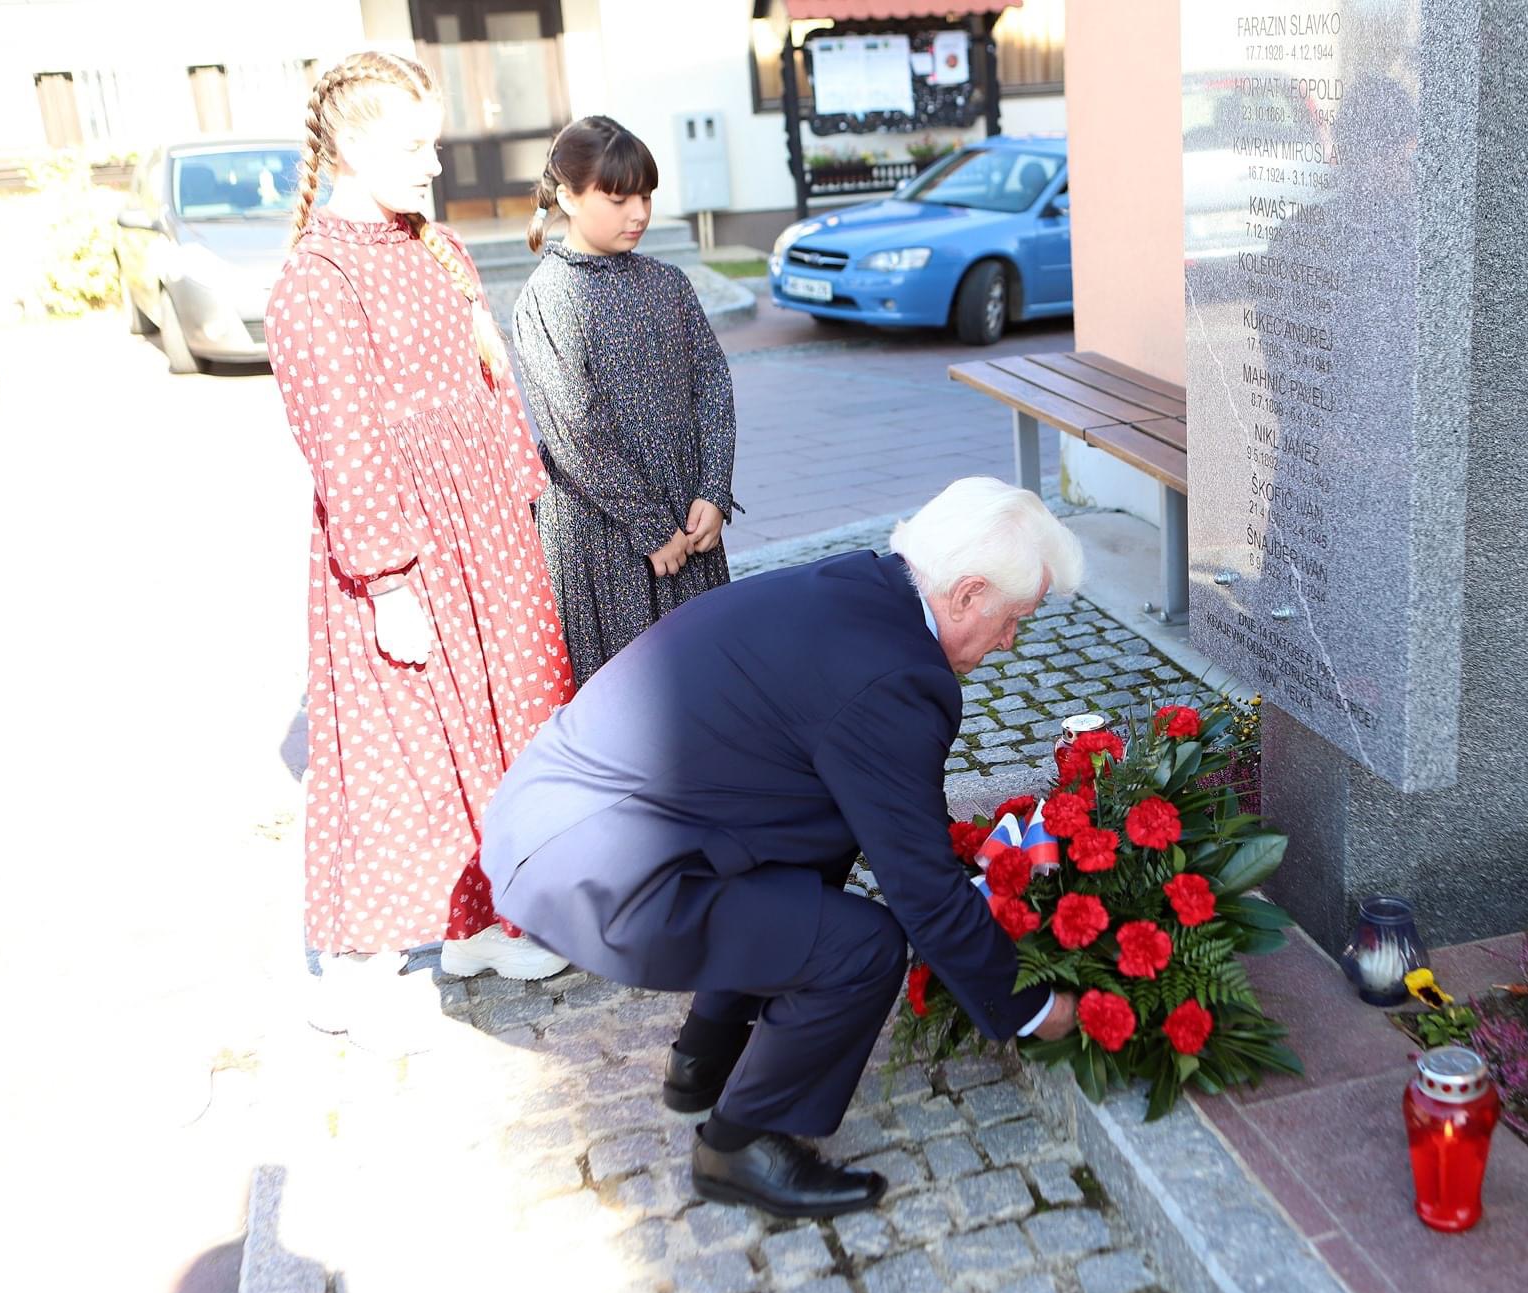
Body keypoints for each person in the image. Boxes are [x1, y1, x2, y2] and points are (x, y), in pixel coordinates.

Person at [480, 478, 1083, 1218]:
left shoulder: (861, 587)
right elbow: (920, 888)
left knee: (816, 837)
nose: (1011, 641)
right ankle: (739, 1144)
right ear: (966, 594)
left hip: (556, 817)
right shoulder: (899, 674)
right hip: (592, 869)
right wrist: (1029, 1006)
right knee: (860, 948)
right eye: (1012, 619)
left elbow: (861, 819)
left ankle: (700, 1061)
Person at [265, 51, 575, 1007]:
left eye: (432, 143)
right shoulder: (318, 279)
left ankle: (482, 924)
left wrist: (520, 499)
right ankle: (359, 970)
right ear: (352, 145)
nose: (434, 164)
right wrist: (389, 580)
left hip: (486, 533)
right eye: (413, 146)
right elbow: (343, 440)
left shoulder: (430, 245)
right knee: (408, 748)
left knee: (503, 724)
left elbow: (491, 376)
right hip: (407, 548)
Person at [512, 115, 738, 680]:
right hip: (606, 535)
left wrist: (713, 492)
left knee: (707, 682)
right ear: (568, 195)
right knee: (630, 695)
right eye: (617, 198)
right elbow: (574, 432)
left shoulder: (667, 281)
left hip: (690, 519)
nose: (638, 213)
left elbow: (712, 382)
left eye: (645, 196)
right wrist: (649, 526)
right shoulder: (547, 299)